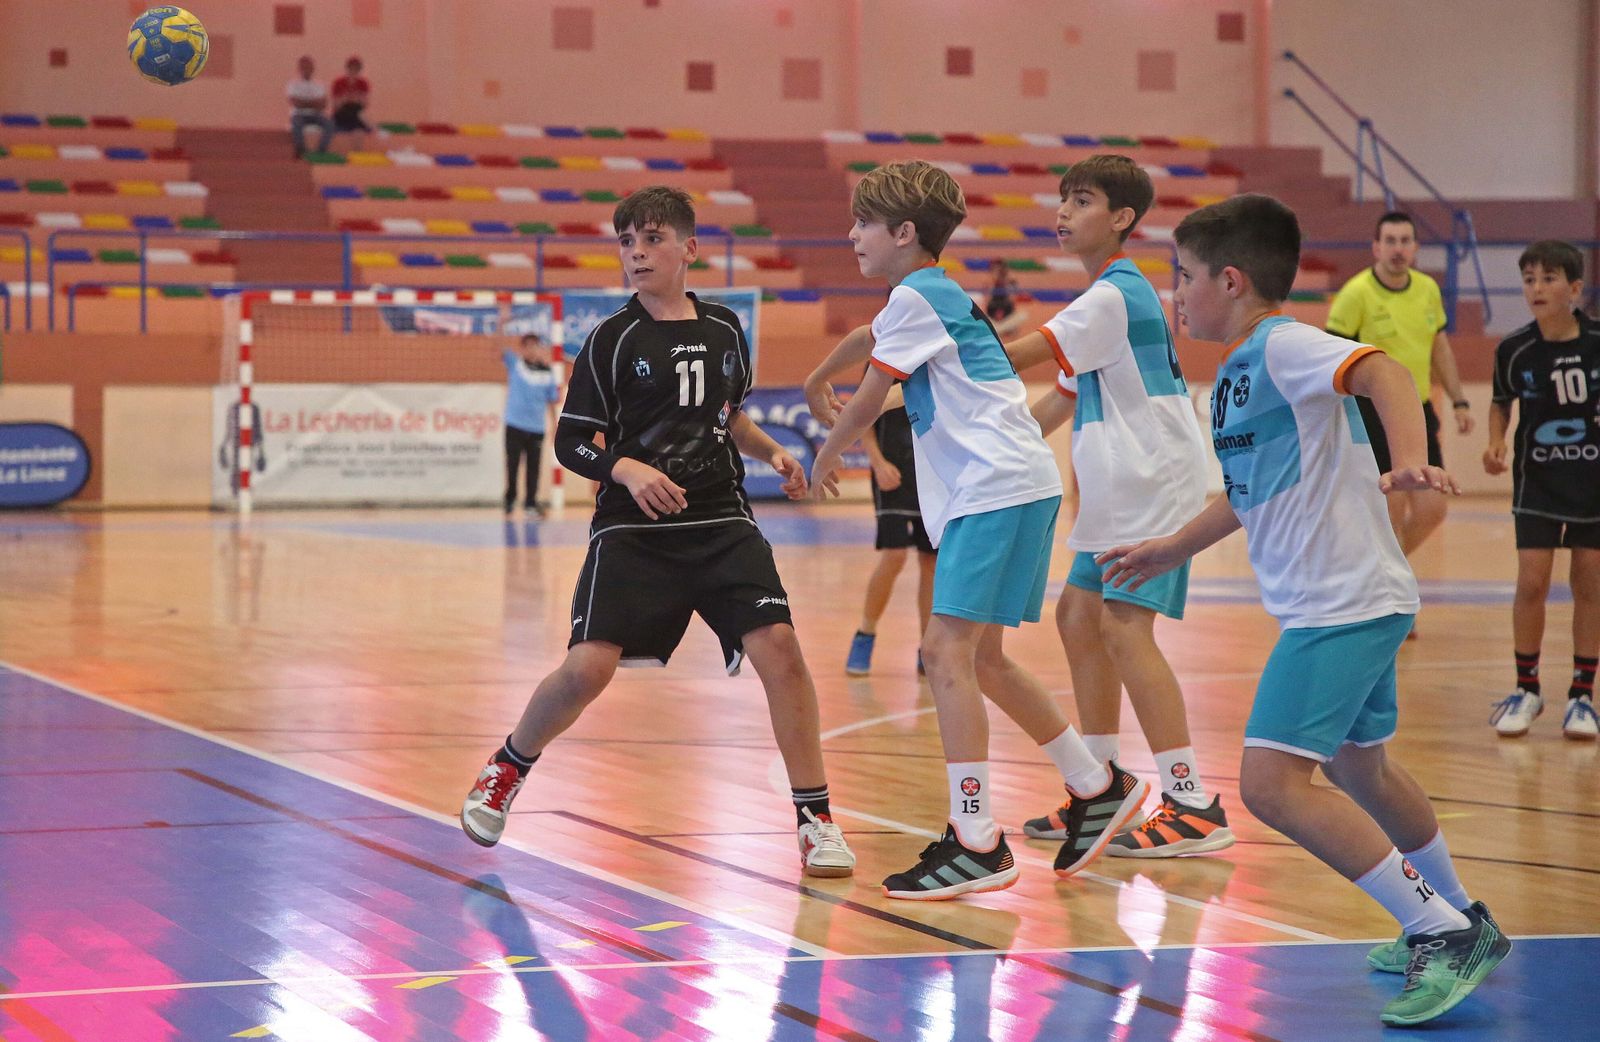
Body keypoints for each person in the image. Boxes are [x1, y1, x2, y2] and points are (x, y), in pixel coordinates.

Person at [1100, 193, 1508, 1028]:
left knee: (1271, 785)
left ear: (1233, 280)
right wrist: (1171, 548)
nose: (1175, 294)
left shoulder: (1284, 345)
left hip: (1342, 603)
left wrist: (1409, 462)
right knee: (1363, 770)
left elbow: (1385, 372)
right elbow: (1251, 492)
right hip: (1348, 600)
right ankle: (1463, 915)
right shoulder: (1243, 374)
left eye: (1184, 277)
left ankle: (1437, 928)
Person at [460, 186, 856, 880]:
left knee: (783, 650)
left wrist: (774, 454)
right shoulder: (610, 341)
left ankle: (815, 819)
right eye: (625, 242)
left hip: (721, 519)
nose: (636, 253)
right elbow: (572, 442)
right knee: (588, 669)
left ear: (688, 249)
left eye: (650, 239)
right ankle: (508, 765)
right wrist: (628, 469)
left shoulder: (728, 329)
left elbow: (726, 418)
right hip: (634, 529)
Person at [808, 160, 1150, 900]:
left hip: (994, 490)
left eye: (863, 224)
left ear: (904, 233)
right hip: (1020, 484)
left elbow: (870, 393)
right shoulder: (933, 298)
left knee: (944, 651)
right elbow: (872, 348)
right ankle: (1095, 783)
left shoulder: (916, 297)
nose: (851, 236)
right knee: (985, 660)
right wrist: (815, 380)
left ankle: (976, 838)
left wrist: (824, 454)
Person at [1000, 155, 1234, 859]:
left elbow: (1012, 358)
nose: (1063, 212)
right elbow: (1060, 398)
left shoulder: (1111, 297)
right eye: (1062, 198)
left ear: (1123, 218)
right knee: (1078, 616)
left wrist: (918, 365)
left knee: (1126, 629)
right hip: (1119, 486)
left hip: (1152, 481)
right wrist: (993, 445)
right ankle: (1101, 789)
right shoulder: (1107, 300)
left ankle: (1192, 801)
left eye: (1083, 200)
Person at [1483, 240, 1600, 740]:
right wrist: (1494, 442)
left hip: (1592, 483)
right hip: (1538, 482)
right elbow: (1500, 402)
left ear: (1574, 288)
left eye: (1549, 279)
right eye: (1529, 279)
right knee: (1531, 582)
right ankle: (1526, 689)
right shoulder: (1514, 349)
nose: (1537, 288)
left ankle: (1582, 697)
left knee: (1589, 582)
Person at [1326, 213, 1476, 577]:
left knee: (1432, 509)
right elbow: (1331, 355)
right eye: (1390, 241)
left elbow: (1439, 348)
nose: (1398, 249)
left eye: (1405, 241)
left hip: (1419, 410)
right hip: (1373, 414)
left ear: (1415, 248)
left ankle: (1382, 576)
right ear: (1376, 247)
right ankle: (1395, 601)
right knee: (1391, 508)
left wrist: (1458, 400)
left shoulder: (1427, 290)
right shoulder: (1356, 293)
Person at [845, 395, 937, 677]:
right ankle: (865, 633)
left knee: (932, 562)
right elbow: (864, 413)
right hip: (891, 471)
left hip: (932, 474)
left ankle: (928, 648)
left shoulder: (940, 355)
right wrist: (877, 462)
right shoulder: (886, 355)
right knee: (894, 555)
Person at [501, 331, 561, 516]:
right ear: (523, 348)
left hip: (536, 427)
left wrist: (555, 426)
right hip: (514, 424)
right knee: (512, 465)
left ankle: (530, 504)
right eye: (528, 346)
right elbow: (498, 349)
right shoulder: (516, 364)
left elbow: (552, 401)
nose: (532, 349)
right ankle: (510, 500)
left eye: (535, 345)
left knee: (533, 468)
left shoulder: (547, 371)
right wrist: (502, 324)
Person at [286, 56, 334, 159]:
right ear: (299, 69)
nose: (306, 69)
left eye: (309, 67)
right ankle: (301, 151)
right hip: (298, 115)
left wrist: (304, 102)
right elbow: (295, 103)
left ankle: (321, 151)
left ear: (313, 68)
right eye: (304, 67)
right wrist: (314, 103)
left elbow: (323, 105)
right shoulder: (293, 84)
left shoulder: (319, 85)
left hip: (316, 115)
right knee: (296, 123)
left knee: (330, 124)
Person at [330, 55, 373, 151]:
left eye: (356, 68)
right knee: (334, 132)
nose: (354, 70)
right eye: (352, 67)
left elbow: (364, 103)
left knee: (367, 131)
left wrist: (350, 99)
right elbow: (336, 104)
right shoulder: (338, 82)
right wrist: (348, 99)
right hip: (341, 115)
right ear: (347, 68)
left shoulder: (363, 83)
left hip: (355, 115)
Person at [984, 258, 1028, 337]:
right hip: (992, 319)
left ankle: (997, 331)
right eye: (995, 271)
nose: (998, 274)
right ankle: (999, 330)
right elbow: (986, 304)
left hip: (1006, 319)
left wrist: (1007, 281)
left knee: (1023, 315)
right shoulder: (989, 284)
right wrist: (993, 282)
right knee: (981, 318)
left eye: (1001, 271)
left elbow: (1014, 302)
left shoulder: (1009, 284)